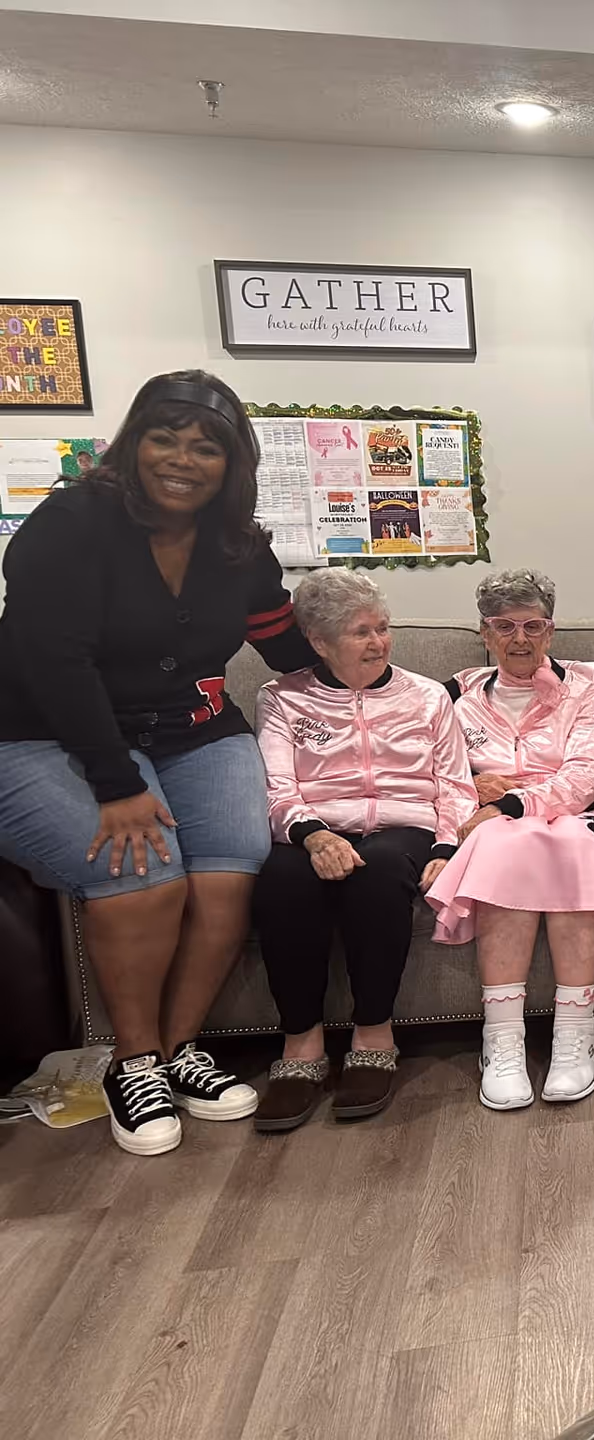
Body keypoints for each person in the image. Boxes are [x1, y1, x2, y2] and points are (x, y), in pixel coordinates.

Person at [0, 370, 315, 1156]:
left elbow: (283, 644)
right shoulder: (71, 522)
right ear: (133, 443)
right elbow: (53, 661)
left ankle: (176, 1053)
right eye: (164, 437)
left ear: (232, 461)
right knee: (140, 869)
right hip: (47, 733)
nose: (182, 458)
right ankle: (131, 1061)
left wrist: (382, 680)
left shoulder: (240, 545)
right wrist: (116, 784)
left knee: (228, 865)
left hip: (194, 731)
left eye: (206, 445)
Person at [249, 570, 475, 1131]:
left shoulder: (426, 695)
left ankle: (374, 1035)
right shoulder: (282, 698)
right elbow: (277, 786)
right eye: (360, 633)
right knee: (282, 882)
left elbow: (454, 784)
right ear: (319, 642)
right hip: (314, 828)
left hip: (405, 827)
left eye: (383, 628)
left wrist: (446, 848)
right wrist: (312, 833)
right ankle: (301, 1045)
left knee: (375, 878)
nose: (378, 643)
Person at [426, 568, 594, 1111]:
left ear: (550, 631)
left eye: (532, 626)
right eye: (504, 627)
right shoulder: (454, 695)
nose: (520, 639)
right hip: (489, 820)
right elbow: (435, 773)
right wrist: (474, 788)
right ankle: (502, 1042)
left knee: (578, 846)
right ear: (484, 634)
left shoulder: (583, 694)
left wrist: (510, 801)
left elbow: (585, 776)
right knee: (502, 844)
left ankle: (574, 1034)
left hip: (576, 812)